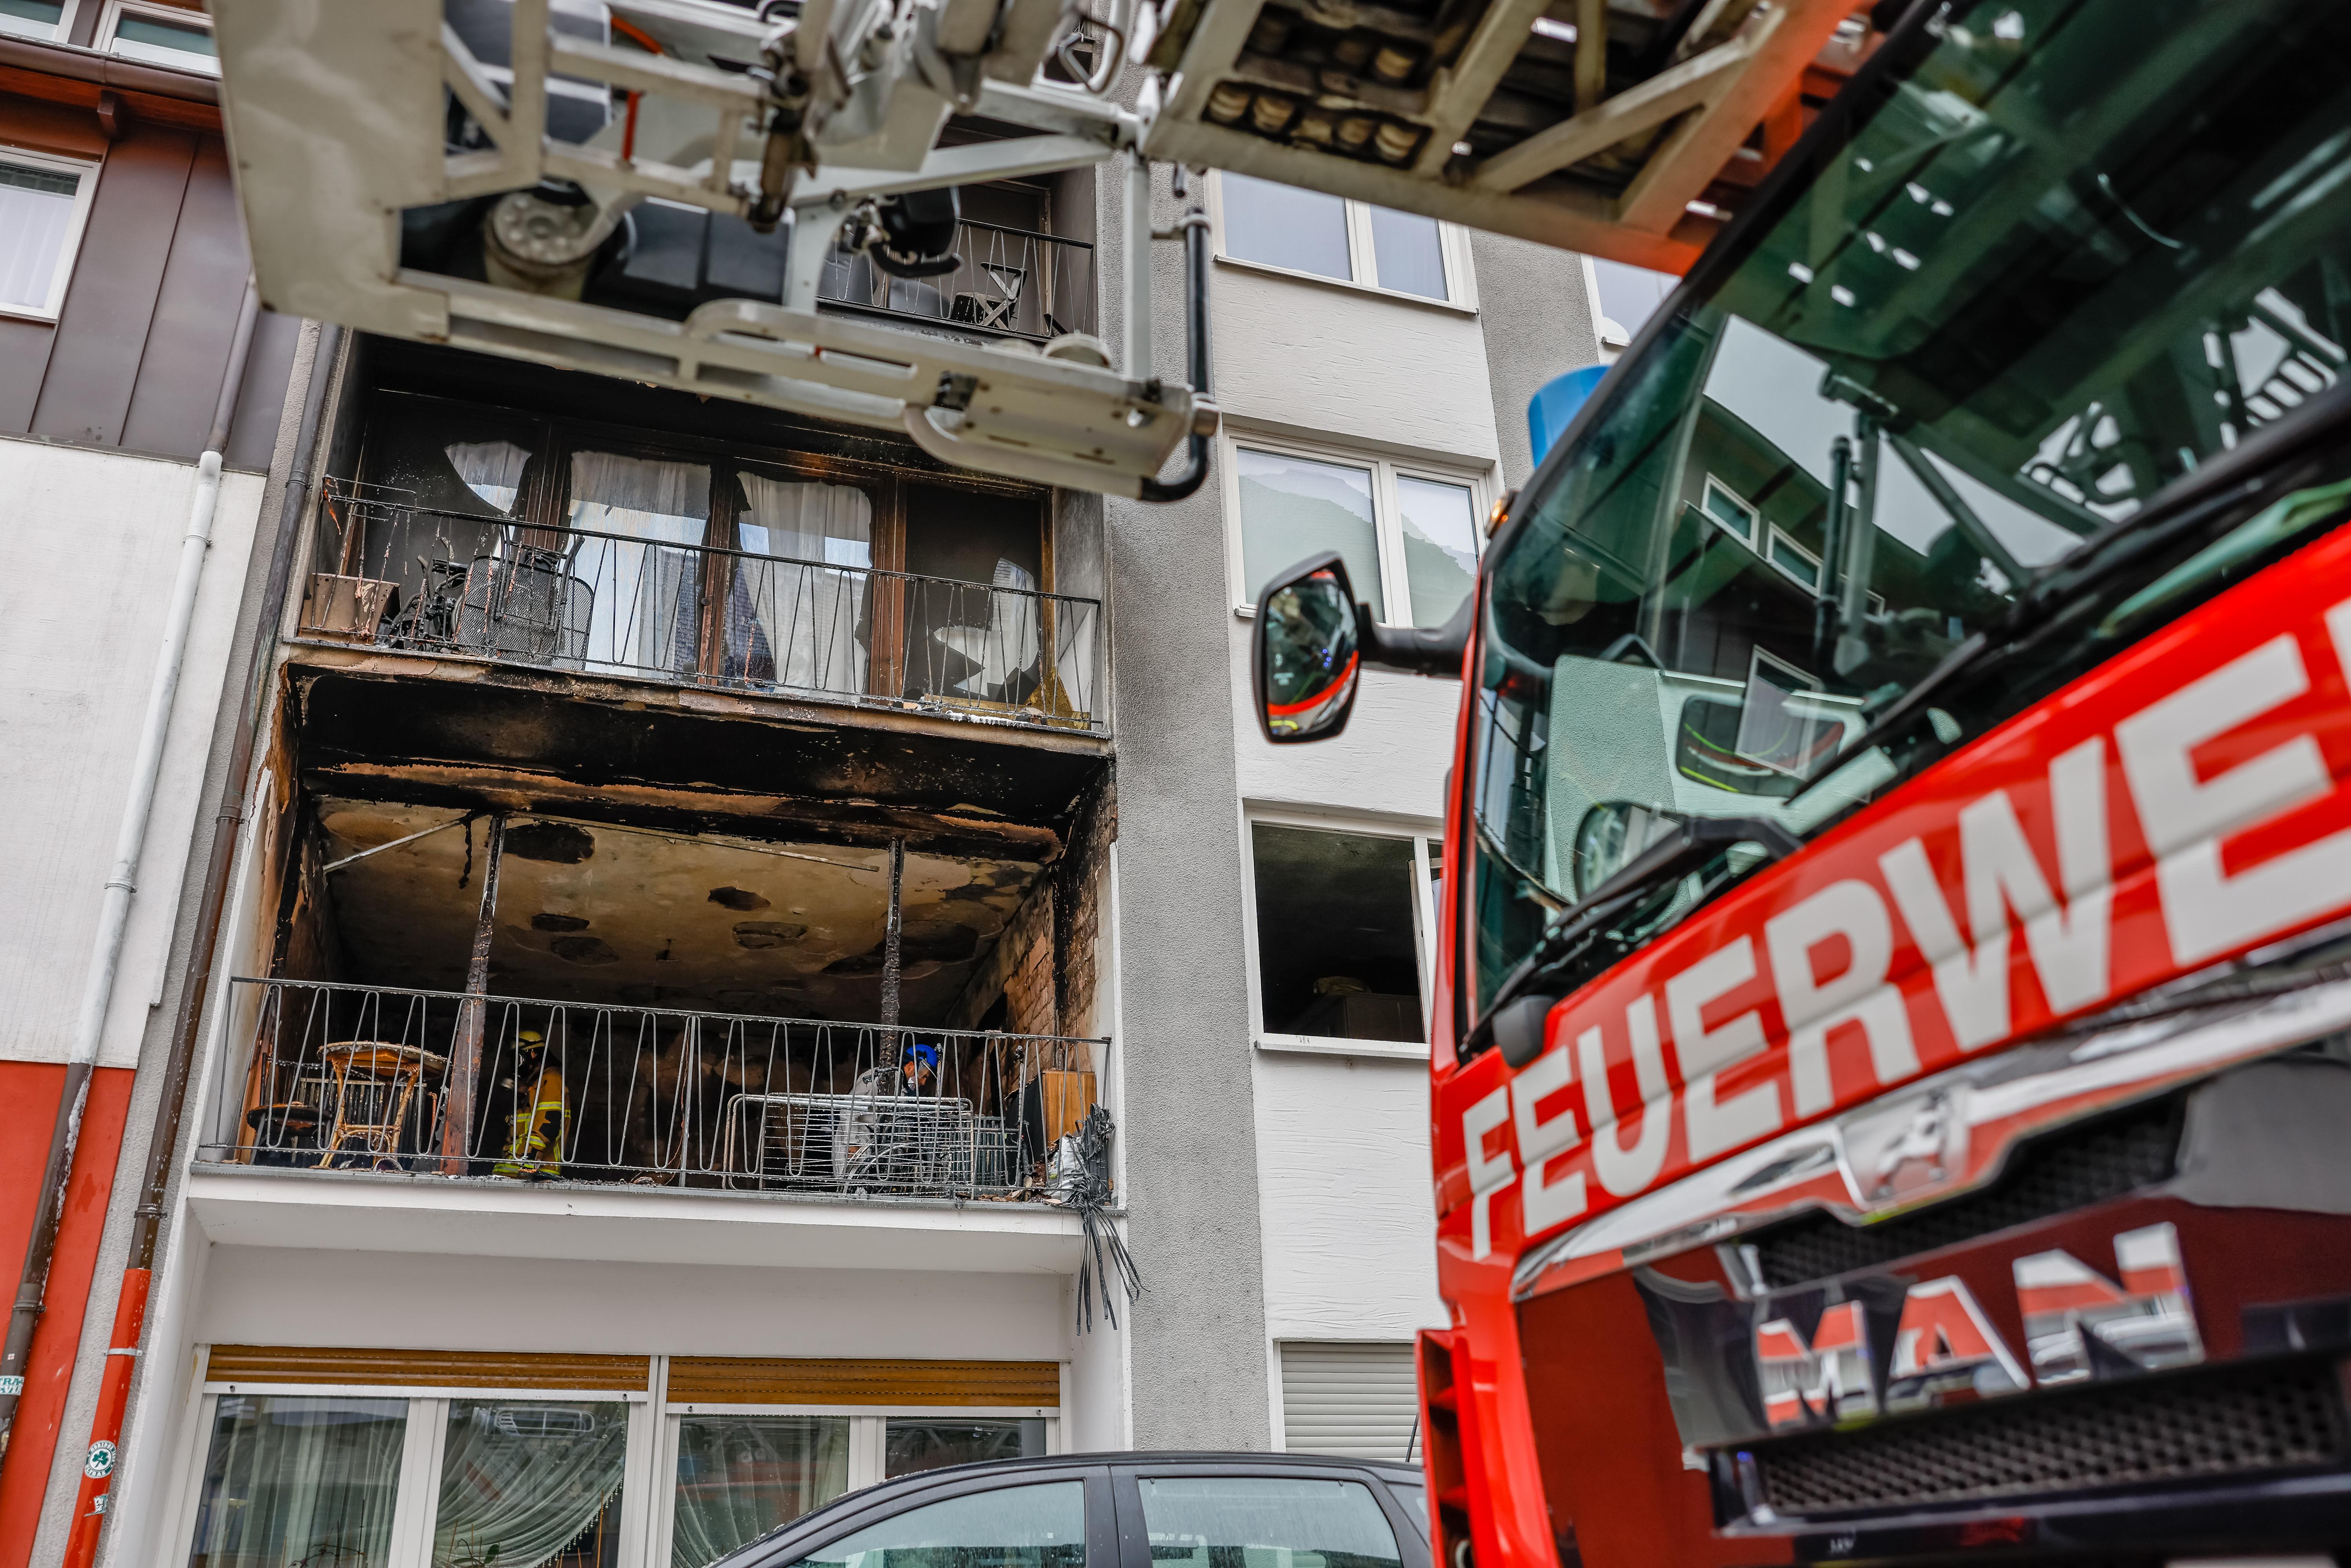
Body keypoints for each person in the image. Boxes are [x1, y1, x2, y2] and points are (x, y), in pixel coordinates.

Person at [831, 1040, 939, 1182]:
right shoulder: (877, 1078)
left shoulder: (902, 1090)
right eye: (923, 1076)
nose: (923, 1082)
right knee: (852, 1186)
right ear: (911, 1066)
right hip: (856, 1139)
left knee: (865, 1188)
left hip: (871, 1143)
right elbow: (849, 1109)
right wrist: (851, 1143)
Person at [493, 1029, 568, 1179]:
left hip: (532, 1174)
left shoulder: (551, 1080)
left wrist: (530, 1163)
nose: (515, 1065)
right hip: (515, 1173)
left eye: (517, 1059)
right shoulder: (534, 1086)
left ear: (532, 1054)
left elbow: (549, 1123)